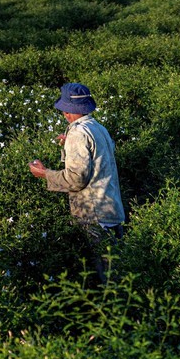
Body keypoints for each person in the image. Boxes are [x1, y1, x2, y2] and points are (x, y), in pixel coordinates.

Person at [28, 82, 125, 282]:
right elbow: (100, 154)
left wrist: (45, 174)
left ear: (66, 111)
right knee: (119, 272)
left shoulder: (78, 133)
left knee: (108, 278)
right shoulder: (98, 127)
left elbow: (76, 179)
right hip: (112, 210)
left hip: (95, 215)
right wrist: (70, 142)